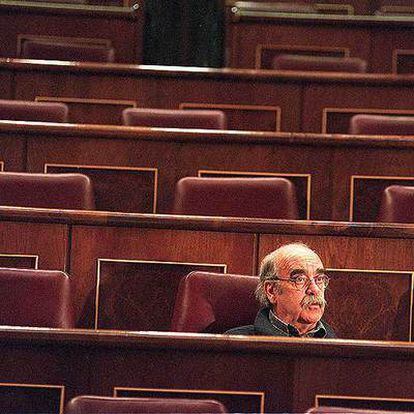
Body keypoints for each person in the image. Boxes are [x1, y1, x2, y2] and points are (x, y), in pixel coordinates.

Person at [226, 242, 336, 338]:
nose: (315, 290)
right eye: (300, 279)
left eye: (320, 279)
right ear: (272, 291)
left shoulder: (341, 350)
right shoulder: (236, 347)